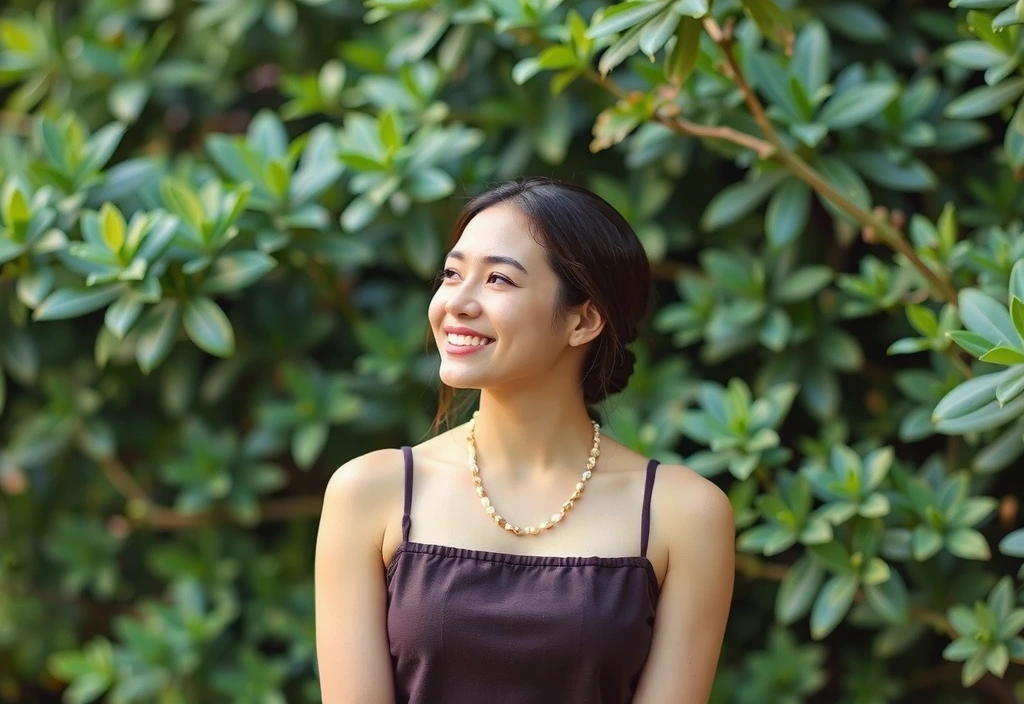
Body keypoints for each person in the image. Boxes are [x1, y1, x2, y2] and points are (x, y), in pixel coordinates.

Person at [314, 177, 735, 703]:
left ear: (583, 320)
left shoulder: (684, 513)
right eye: (452, 274)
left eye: (497, 280)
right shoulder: (369, 492)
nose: (457, 303)